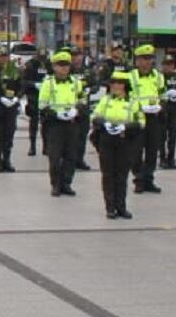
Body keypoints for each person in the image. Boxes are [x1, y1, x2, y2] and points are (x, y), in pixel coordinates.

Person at [90, 71, 141, 219]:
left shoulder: (133, 102)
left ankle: (121, 207)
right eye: (114, 83)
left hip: (125, 141)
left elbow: (141, 122)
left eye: (120, 83)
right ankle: (110, 207)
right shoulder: (105, 101)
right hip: (107, 141)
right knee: (108, 175)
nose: (116, 86)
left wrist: (125, 127)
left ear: (126, 86)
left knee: (121, 175)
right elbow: (95, 117)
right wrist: (105, 124)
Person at [38, 52, 88, 197]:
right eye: (60, 65)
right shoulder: (49, 83)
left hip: (72, 123)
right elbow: (42, 104)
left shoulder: (76, 82)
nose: (63, 68)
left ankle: (67, 183)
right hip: (55, 124)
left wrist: (76, 110)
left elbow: (83, 99)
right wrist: (56, 114)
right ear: (54, 67)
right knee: (54, 156)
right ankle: (56, 184)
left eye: (66, 65)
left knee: (71, 155)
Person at [127, 45, 165, 194]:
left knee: (152, 150)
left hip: (154, 118)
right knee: (135, 152)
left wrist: (160, 107)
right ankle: (139, 179)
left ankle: (149, 179)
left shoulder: (158, 76)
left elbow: (163, 96)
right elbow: (127, 99)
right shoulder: (131, 77)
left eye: (149, 59)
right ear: (137, 61)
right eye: (143, 59)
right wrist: (140, 108)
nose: (146, 62)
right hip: (137, 118)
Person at [0, 54, 24, 173]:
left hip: (11, 107)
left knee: (9, 134)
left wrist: (17, 98)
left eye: (5, 56)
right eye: (1, 56)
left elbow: (21, 86)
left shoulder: (14, 71)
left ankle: (7, 160)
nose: (4, 59)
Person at [158, 53, 176, 170]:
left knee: (173, 136)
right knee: (162, 136)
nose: (168, 67)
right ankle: (162, 158)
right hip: (163, 110)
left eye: (170, 65)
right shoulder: (159, 77)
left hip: (175, 110)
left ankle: (171, 158)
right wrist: (163, 96)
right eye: (166, 65)